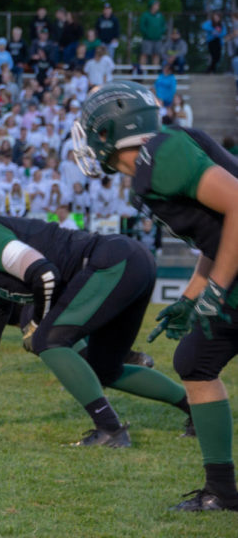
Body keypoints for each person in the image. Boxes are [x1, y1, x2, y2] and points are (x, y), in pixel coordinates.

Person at [72, 80, 238, 511]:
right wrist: (194, 293)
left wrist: (216, 288)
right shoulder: (158, 157)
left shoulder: (161, 156)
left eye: (95, 129)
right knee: (194, 362)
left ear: (113, 129)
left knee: (195, 362)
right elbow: (214, 233)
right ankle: (222, 492)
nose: (90, 140)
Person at [0, 191, 193, 446]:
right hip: (127, 261)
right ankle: (196, 408)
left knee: (47, 340)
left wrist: (37, 323)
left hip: (109, 263)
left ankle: (110, 430)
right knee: (104, 368)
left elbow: (44, 273)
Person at [139, 0, 166, 70]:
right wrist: (147, 33)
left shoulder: (160, 15)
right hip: (147, 39)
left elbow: (164, 26)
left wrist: (160, 32)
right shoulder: (145, 15)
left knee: (156, 54)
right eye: (156, 5)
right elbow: (142, 26)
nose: (157, 6)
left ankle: (155, 72)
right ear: (152, 6)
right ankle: (142, 72)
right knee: (144, 54)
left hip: (157, 39)